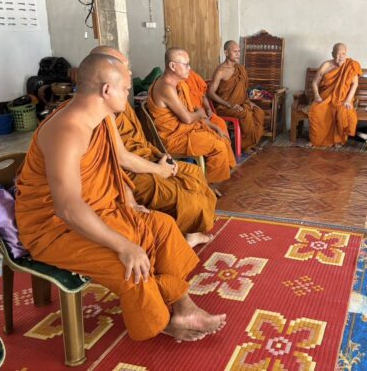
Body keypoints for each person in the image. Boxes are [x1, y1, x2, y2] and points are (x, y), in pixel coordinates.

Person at [15, 52, 226, 341]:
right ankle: (160, 320)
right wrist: (124, 246)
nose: (129, 94)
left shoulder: (101, 117)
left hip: (98, 208)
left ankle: (183, 308)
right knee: (129, 262)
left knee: (162, 226)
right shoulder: (67, 131)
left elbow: (116, 162)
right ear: (106, 90)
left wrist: (128, 199)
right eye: (126, 89)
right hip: (54, 228)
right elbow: (67, 208)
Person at [89, 46, 216, 246]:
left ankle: (191, 230)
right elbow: (121, 159)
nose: (130, 73)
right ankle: (179, 232)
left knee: (194, 174)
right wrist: (159, 169)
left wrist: (158, 156)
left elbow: (138, 140)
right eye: (124, 68)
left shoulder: (118, 101)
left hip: (145, 157)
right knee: (188, 197)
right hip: (127, 174)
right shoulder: (99, 111)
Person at [147, 47, 236, 183]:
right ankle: (208, 186)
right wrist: (199, 113)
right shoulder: (166, 87)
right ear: (172, 66)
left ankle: (211, 180)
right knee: (218, 146)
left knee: (221, 136)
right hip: (173, 139)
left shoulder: (180, 84)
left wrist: (213, 126)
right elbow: (188, 118)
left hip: (186, 131)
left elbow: (191, 112)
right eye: (186, 65)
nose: (189, 68)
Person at [209, 41, 265, 152]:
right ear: (226, 52)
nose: (238, 54)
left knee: (259, 112)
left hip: (241, 103)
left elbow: (243, 90)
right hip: (225, 107)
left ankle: (248, 143)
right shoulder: (221, 71)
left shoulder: (240, 69)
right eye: (235, 51)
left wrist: (249, 102)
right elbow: (210, 93)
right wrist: (229, 105)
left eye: (239, 51)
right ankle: (244, 146)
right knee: (245, 114)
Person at [307, 43, 362, 148]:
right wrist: (317, 95)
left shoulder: (350, 65)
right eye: (338, 54)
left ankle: (338, 140)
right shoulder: (326, 65)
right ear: (332, 54)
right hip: (325, 97)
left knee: (342, 110)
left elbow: (355, 84)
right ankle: (316, 140)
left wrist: (348, 100)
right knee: (316, 110)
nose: (341, 56)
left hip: (343, 98)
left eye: (343, 54)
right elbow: (315, 82)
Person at [185, 68, 230, 135]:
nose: (188, 68)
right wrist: (200, 115)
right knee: (209, 133)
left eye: (188, 64)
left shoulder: (193, 76)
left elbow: (203, 95)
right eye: (185, 65)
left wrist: (208, 108)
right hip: (193, 116)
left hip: (203, 112)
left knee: (221, 123)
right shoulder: (177, 83)